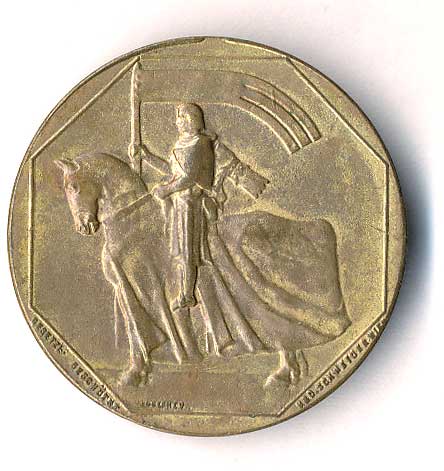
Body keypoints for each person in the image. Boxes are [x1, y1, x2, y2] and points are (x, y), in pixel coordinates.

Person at [129, 103, 268, 311]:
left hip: (191, 203)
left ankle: (187, 295)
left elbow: (189, 177)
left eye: (180, 117)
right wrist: (147, 156)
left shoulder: (200, 143)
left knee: (187, 251)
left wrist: (165, 190)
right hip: (178, 203)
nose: (177, 122)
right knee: (178, 251)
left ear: (190, 119)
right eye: (177, 118)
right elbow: (173, 172)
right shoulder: (181, 143)